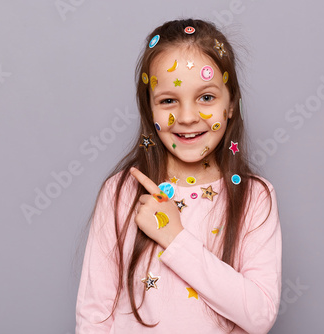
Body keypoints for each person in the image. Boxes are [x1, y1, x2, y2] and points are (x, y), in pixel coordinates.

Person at [75, 19, 282, 333]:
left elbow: (259, 315)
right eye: (168, 100)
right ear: (150, 109)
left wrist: (174, 237)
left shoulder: (254, 196)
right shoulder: (121, 191)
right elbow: (94, 315)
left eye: (206, 98)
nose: (186, 117)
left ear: (231, 104)